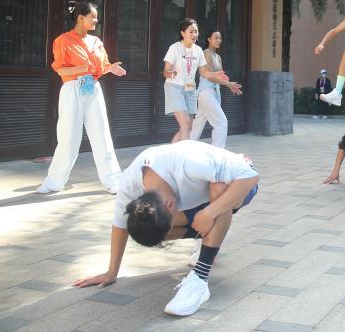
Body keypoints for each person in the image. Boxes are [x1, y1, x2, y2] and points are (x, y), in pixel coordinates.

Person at [73, 141, 259, 317]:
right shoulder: (130, 183)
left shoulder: (190, 162)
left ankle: (199, 280)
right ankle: (216, 234)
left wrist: (210, 213)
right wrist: (111, 272)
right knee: (148, 229)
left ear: (170, 205)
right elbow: (120, 224)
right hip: (200, 202)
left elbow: (250, 177)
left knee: (219, 187)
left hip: (239, 183)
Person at [36, 1, 126, 194]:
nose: (96, 20)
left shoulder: (96, 41)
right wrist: (83, 68)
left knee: (102, 135)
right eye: (93, 17)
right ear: (80, 18)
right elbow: (60, 69)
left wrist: (111, 68)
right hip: (72, 89)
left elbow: (102, 67)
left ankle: (113, 180)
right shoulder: (63, 40)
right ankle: (54, 181)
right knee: (68, 137)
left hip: (93, 88)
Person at [163, 19, 221, 143]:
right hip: (174, 87)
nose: (194, 34)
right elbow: (166, 71)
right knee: (185, 123)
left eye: (196, 31)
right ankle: (184, 153)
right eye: (191, 32)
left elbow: (203, 72)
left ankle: (171, 151)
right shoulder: (174, 48)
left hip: (190, 88)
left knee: (188, 126)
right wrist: (171, 73)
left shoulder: (198, 50)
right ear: (183, 33)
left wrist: (215, 74)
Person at [190, 29, 243, 148]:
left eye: (220, 38)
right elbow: (208, 75)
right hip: (206, 92)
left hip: (214, 92)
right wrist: (228, 84)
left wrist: (230, 84)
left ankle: (185, 148)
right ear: (209, 39)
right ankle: (217, 151)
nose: (219, 40)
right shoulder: (206, 53)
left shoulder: (218, 57)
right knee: (221, 122)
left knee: (198, 124)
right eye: (216, 38)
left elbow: (220, 76)